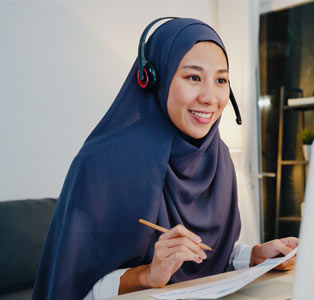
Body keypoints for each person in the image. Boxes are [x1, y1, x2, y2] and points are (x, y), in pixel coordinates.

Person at [32, 18, 298, 300]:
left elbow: (211, 253)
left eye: (220, 80)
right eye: (193, 77)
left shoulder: (218, 157)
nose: (210, 97)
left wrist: (256, 255)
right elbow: (74, 289)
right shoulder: (101, 164)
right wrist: (149, 275)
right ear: (154, 79)